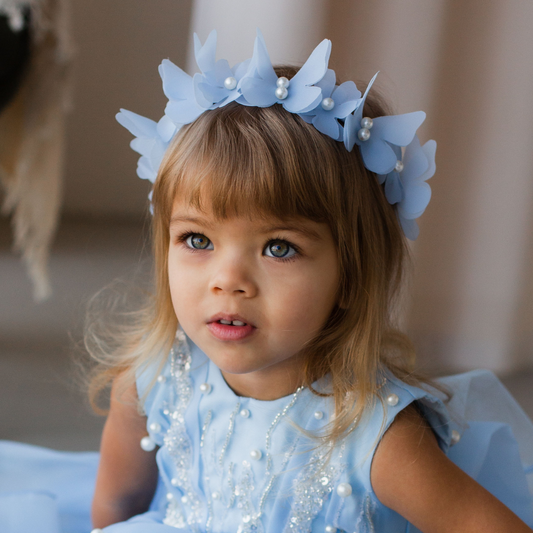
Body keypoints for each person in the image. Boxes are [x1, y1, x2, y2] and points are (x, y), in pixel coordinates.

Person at [0, 30, 532, 533]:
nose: (228, 280)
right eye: (197, 240)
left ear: (350, 274)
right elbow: (114, 507)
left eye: (279, 248)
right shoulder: (152, 381)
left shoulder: (377, 438)